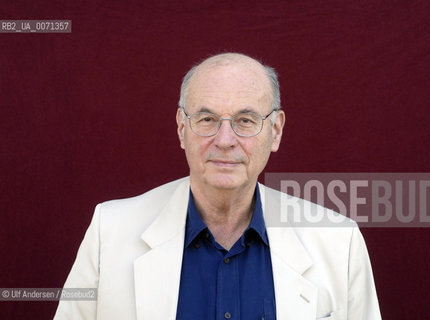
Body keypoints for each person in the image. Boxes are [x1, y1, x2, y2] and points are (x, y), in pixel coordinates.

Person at [54, 53, 381, 319]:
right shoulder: (109, 233)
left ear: (276, 131)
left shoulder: (340, 241)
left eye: (246, 120)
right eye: (207, 119)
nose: (225, 141)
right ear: (182, 128)